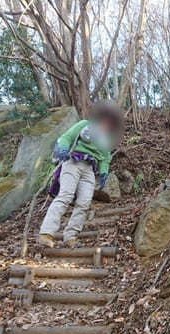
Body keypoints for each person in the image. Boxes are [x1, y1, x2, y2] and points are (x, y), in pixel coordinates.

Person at [38, 101, 123, 248]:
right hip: (73, 162)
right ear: (101, 117)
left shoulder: (107, 139)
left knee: (84, 203)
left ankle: (70, 236)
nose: (107, 123)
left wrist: (104, 173)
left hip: (89, 169)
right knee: (66, 195)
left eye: (111, 122)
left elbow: (105, 158)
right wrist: (62, 149)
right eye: (106, 119)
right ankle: (46, 233)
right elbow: (66, 137)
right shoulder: (84, 124)